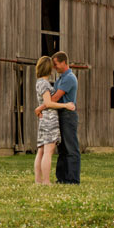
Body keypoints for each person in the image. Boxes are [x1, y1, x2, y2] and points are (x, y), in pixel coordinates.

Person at [35, 51, 80, 184]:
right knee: (62, 149)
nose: (54, 67)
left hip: (67, 115)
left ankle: (72, 179)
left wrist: (39, 108)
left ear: (63, 62)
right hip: (59, 114)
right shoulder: (60, 78)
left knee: (71, 148)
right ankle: (61, 178)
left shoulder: (69, 78)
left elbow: (54, 98)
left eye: (56, 64)